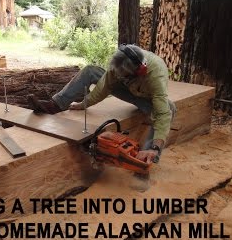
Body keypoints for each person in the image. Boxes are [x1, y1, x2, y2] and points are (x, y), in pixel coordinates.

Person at [27, 44, 176, 165]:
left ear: (139, 71)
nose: (117, 76)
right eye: (116, 74)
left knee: (169, 108)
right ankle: (55, 105)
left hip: (145, 98)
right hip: (128, 90)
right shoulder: (118, 66)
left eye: (121, 76)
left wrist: (155, 146)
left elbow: (162, 113)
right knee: (90, 71)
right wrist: (83, 104)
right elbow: (103, 88)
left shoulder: (155, 74)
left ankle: (146, 158)